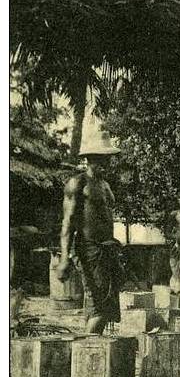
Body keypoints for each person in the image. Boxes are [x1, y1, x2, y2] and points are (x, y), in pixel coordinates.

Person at [55, 131, 124, 335]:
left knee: (106, 306)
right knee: (99, 308)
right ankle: (87, 355)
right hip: (89, 249)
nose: (107, 163)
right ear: (90, 159)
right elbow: (67, 223)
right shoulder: (78, 183)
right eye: (102, 159)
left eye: (108, 158)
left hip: (107, 249)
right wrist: (64, 258)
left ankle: (92, 351)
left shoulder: (104, 185)